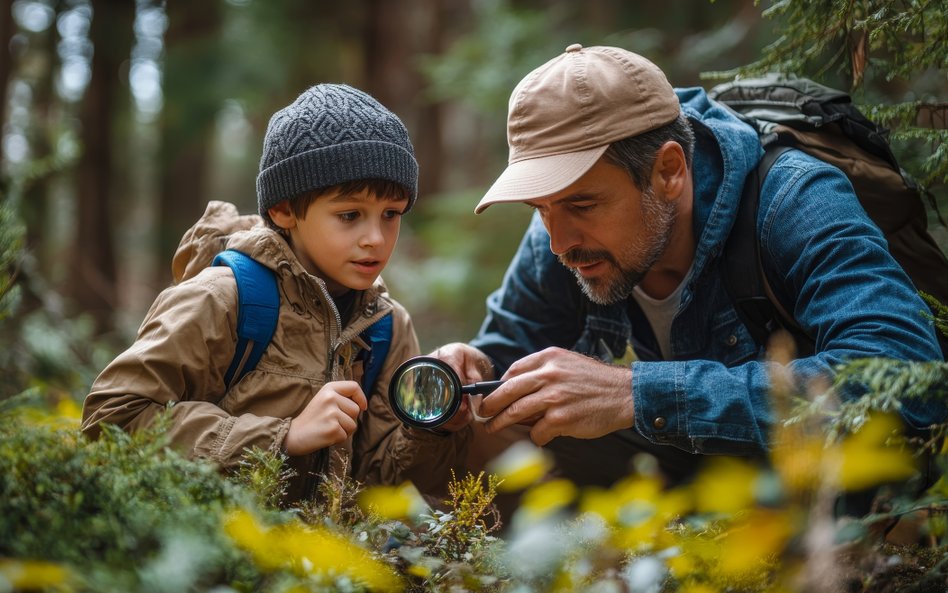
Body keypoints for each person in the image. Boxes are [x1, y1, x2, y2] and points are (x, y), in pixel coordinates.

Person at [434, 44, 945, 488]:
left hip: (821, 491)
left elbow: (913, 378)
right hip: (689, 484)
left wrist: (637, 392)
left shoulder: (794, 199)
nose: (558, 242)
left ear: (669, 172)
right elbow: (506, 362)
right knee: (499, 433)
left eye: (582, 206)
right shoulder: (566, 229)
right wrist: (470, 367)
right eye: (539, 209)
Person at [81, 84, 470, 503]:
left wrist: (432, 426)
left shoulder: (386, 327)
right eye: (350, 215)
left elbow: (379, 481)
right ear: (284, 210)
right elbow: (112, 419)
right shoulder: (223, 299)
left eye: (391, 215)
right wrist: (281, 437)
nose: (375, 238)